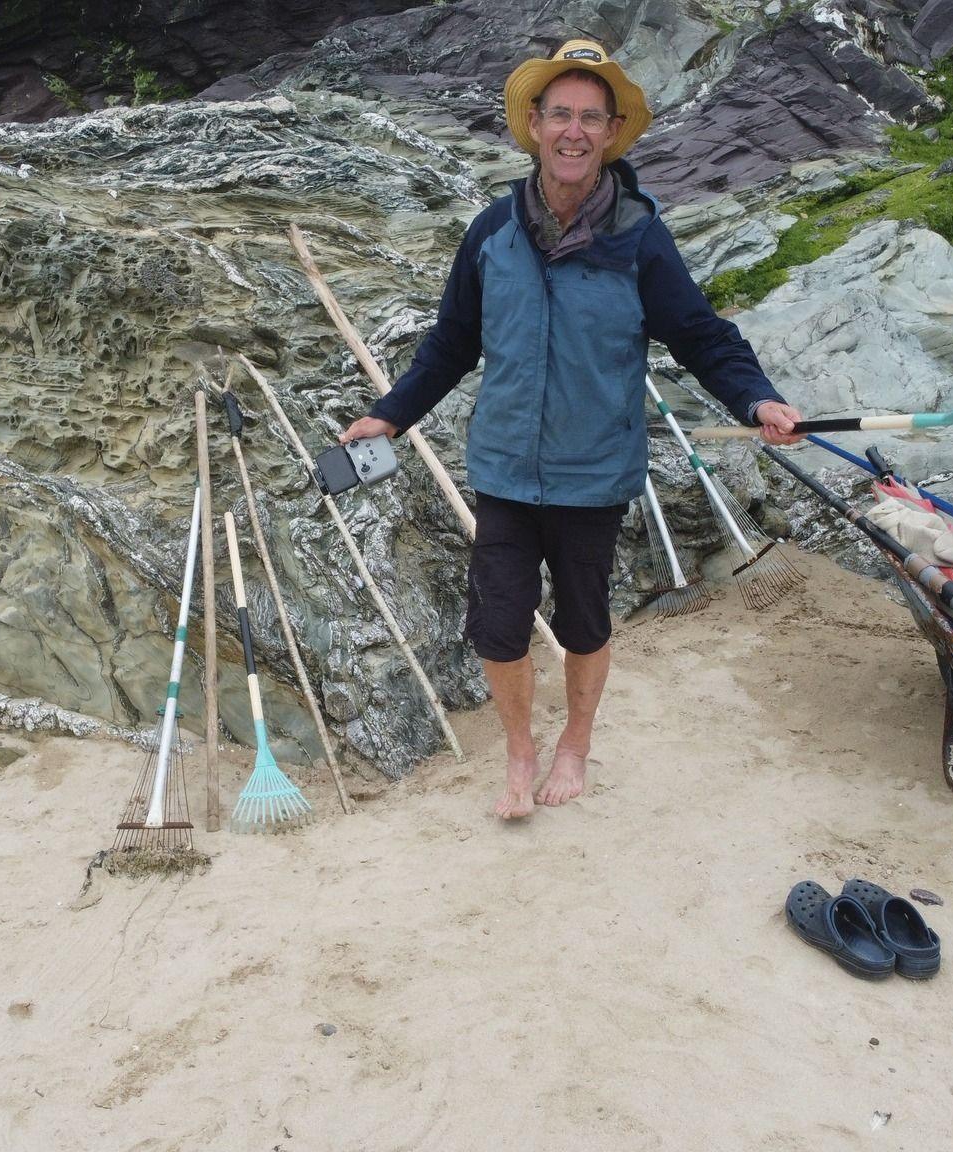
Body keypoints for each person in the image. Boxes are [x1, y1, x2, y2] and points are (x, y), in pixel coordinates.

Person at [338, 39, 805, 820]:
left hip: (594, 473)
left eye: (592, 117)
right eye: (561, 114)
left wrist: (756, 401)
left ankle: (575, 743)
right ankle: (520, 748)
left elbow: (700, 335)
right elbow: (452, 342)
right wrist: (390, 414)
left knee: (584, 619)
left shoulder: (639, 237)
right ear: (534, 122)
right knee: (496, 623)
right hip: (505, 469)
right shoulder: (493, 231)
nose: (575, 132)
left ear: (612, 132)